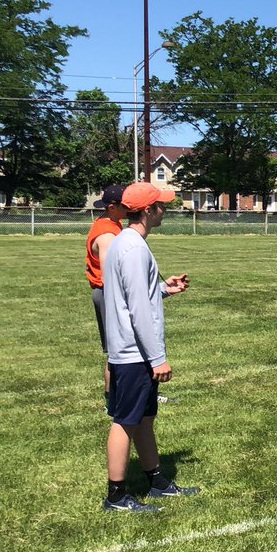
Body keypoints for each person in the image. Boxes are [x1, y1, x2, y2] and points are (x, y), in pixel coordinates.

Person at [102, 182, 196, 512]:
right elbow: (138, 309)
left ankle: (157, 482)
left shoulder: (128, 243)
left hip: (133, 351)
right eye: (160, 205)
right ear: (147, 211)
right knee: (125, 421)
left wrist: (165, 289)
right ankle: (116, 495)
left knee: (142, 419)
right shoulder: (132, 248)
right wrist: (158, 358)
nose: (164, 210)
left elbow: (137, 292)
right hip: (133, 354)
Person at [86, 184, 127, 403]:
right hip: (108, 294)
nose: (130, 207)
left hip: (106, 293)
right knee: (116, 350)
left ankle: (131, 393)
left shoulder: (112, 224)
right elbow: (110, 273)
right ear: (112, 207)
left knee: (120, 347)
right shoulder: (106, 233)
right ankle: (114, 400)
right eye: (125, 204)